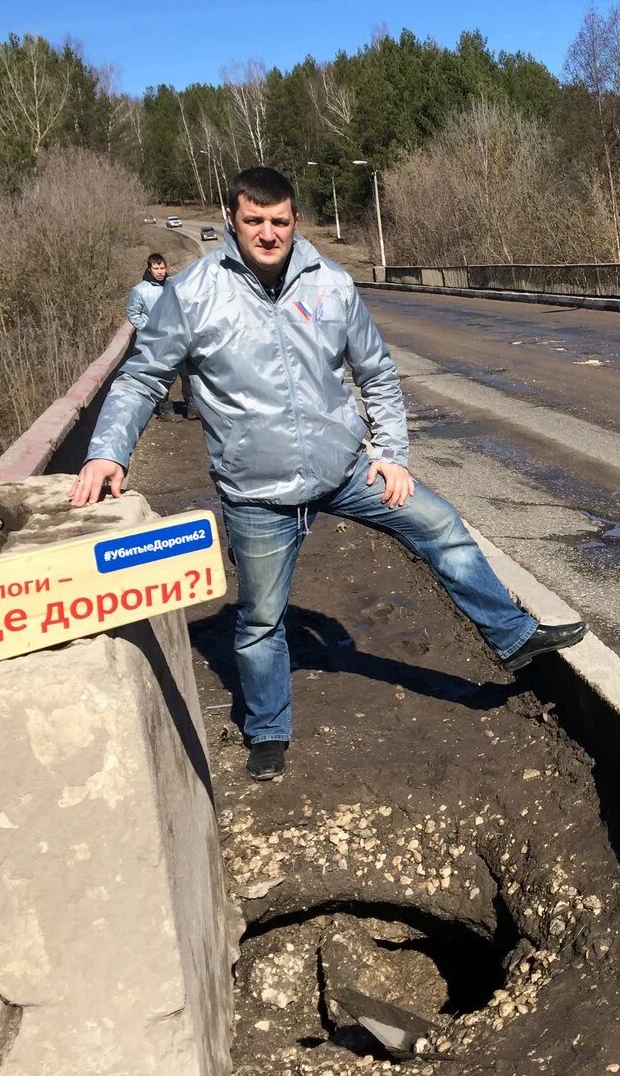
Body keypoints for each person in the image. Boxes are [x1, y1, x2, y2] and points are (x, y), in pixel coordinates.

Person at [73, 168, 586, 781]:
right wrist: (109, 451)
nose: (268, 233)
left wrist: (391, 454)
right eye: (255, 220)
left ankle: (513, 635)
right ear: (232, 220)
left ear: (294, 220)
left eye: (280, 221)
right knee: (262, 620)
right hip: (257, 493)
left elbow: (377, 373)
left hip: (343, 468)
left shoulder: (331, 285)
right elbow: (141, 377)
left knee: (440, 523)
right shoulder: (194, 292)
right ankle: (267, 730)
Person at [126, 253, 198, 421]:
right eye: (156, 268)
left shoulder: (173, 286)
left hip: (178, 338)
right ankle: (165, 410)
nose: (159, 271)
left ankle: (192, 406)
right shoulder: (140, 290)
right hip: (156, 342)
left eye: (162, 268)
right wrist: (150, 330)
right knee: (163, 376)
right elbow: (133, 313)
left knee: (186, 373)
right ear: (149, 269)